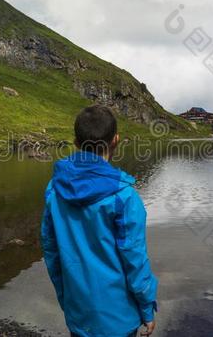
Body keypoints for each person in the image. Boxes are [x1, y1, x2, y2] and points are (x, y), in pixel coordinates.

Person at [41, 105, 158, 337]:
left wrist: (66, 297)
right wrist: (147, 308)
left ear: (76, 142)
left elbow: (51, 250)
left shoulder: (55, 189)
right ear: (116, 140)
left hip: (78, 312)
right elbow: (135, 260)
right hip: (119, 319)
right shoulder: (124, 197)